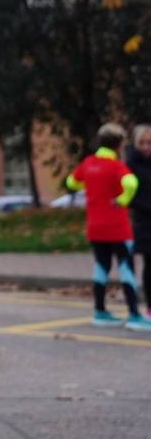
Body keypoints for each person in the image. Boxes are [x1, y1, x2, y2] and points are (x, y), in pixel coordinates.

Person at [66, 123, 148, 330]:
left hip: (95, 226)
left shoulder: (88, 163)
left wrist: (90, 185)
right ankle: (135, 315)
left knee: (101, 267)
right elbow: (131, 183)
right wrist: (122, 200)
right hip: (118, 227)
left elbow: (71, 182)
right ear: (120, 145)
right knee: (126, 268)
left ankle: (100, 311)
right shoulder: (116, 166)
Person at [126, 124, 151, 306]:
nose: (145, 147)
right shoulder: (130, 165)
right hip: (145, 222)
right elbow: (130, 197)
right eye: (141, 142)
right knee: (150, 265)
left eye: (149, 142)